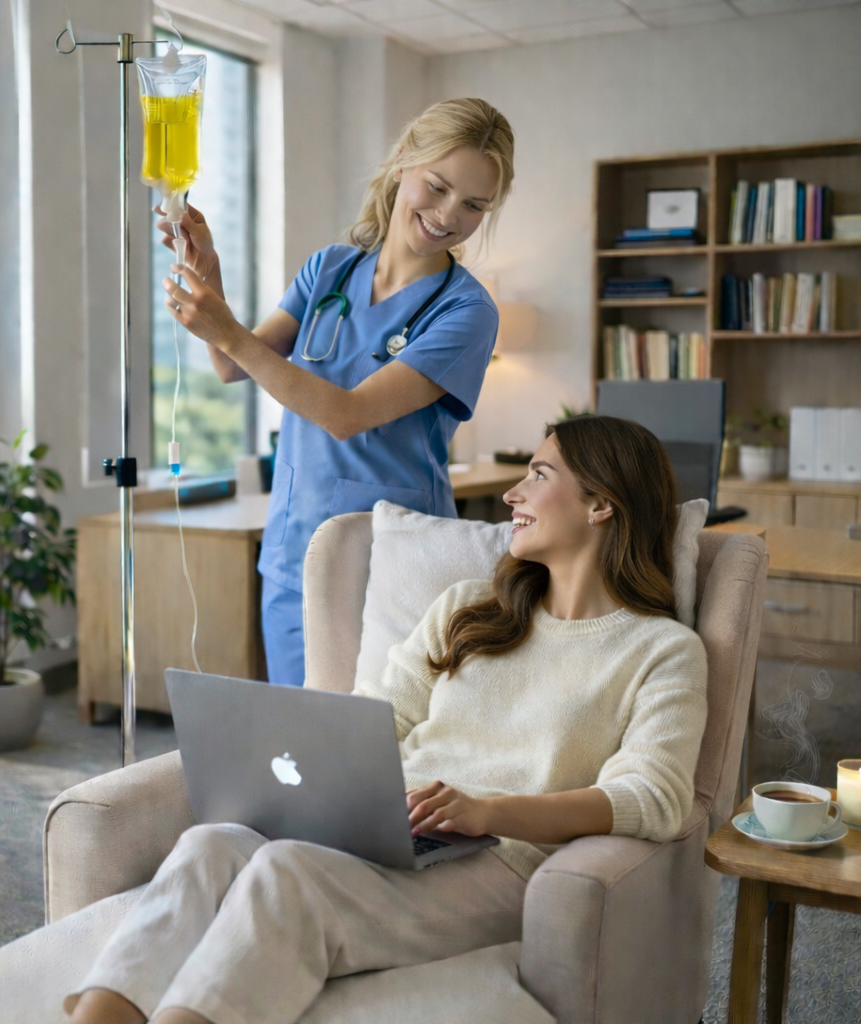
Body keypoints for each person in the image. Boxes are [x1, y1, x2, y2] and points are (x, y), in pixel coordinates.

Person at [63, 414, 709, 1024]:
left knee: (287, 875)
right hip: (392, 831)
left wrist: (489, 811)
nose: (513, 493)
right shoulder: (468, 607)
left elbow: (653, 797)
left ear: (602, 505)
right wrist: (319, 787)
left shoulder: (659, 650)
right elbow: (378, 719)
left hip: (504, 862)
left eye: (539, 476)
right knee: (211, 843)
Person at [158, 97, 515, 686]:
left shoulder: (466, 311)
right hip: (294, 553)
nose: (449, 214)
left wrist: (224, 326)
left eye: (474, 205)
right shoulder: (329, 270)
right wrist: (207, 273)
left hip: (394, 564)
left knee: (375, 751)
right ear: (403, 162)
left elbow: (347, 414)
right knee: (298, 749)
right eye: (438, 186)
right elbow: (231, 365)